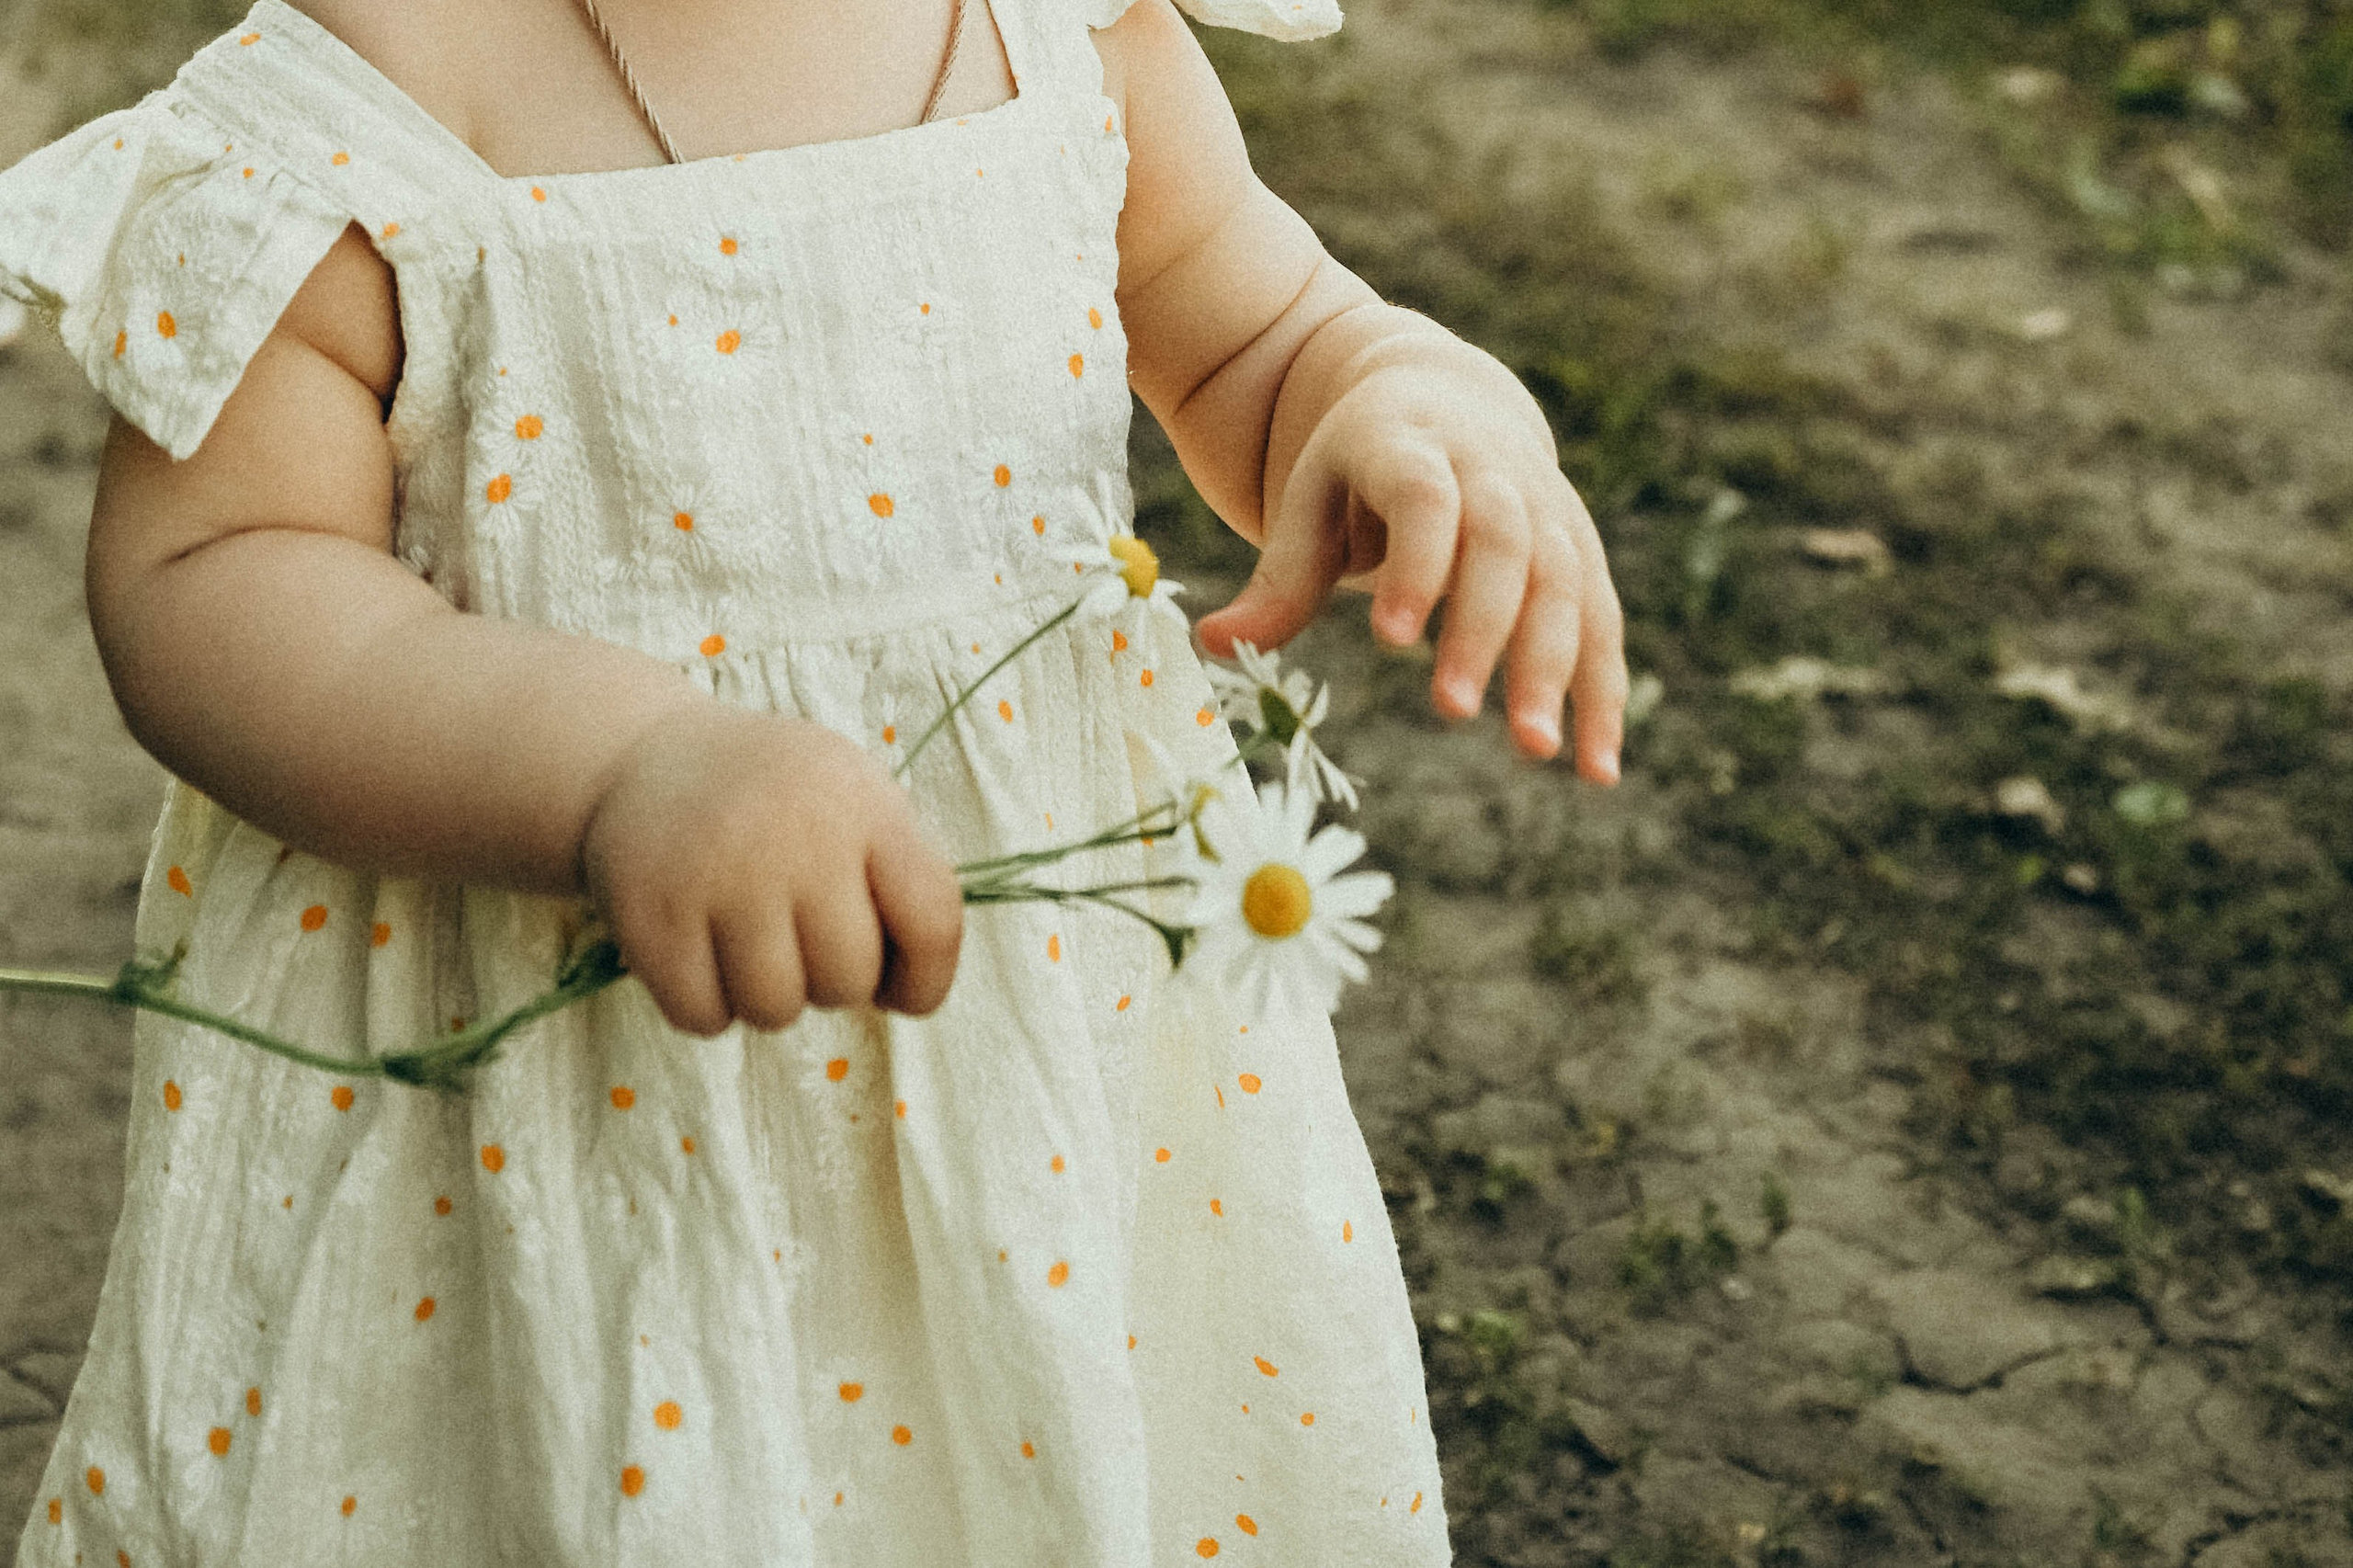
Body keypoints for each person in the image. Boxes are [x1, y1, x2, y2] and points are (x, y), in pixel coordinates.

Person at [0, 0, 1626, 1559]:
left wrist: (1404, 403)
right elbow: (216, 574)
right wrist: (614, 763)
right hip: (558, 1085)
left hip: (1045, 1047)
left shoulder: (1058, 29)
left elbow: (1263, 336)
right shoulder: (370, 92)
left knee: (1044, 1443)